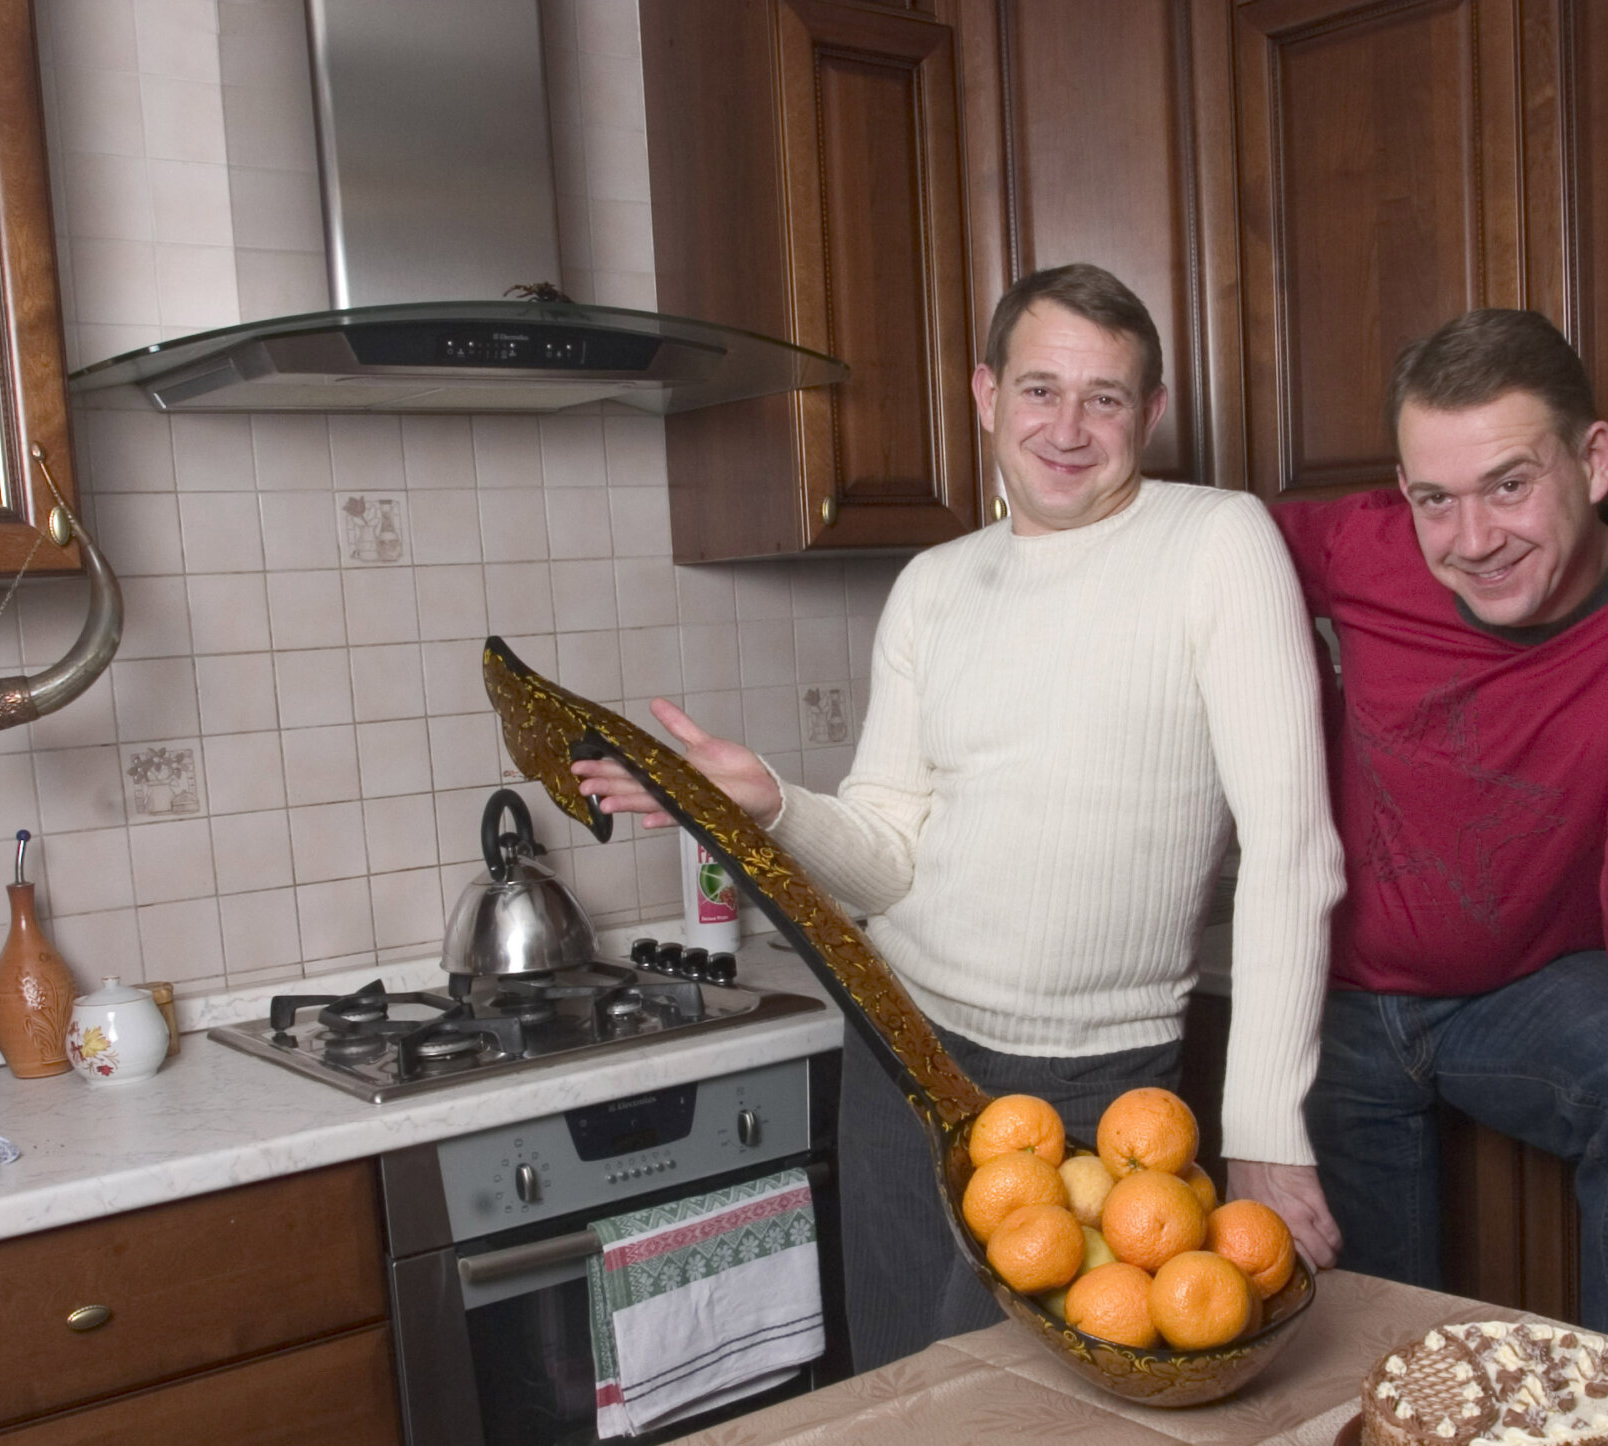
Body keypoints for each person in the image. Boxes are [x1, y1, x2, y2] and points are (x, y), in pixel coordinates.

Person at [573, 264, 1343, 1370]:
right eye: (1039, 390)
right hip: (900, 1047)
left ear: (1152, 411)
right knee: (899, 1391)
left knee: (1044, 1419)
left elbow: (1292, 854)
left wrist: (1267, 1132)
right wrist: (769, 805)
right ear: (985, 395)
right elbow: (886, 856)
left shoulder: (1218, 543)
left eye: (1104, 398)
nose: (1066, 428)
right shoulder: (933, 585)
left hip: (1093, 1085)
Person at [1267, 308, 1608, 1368]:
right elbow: (1185, 543)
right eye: (1435, 499)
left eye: (1509, 485)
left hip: (1527, 999)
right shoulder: (1362, 545)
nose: (1473, 540)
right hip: (1338, 1010)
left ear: (1593, 461)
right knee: (1366, 1382)